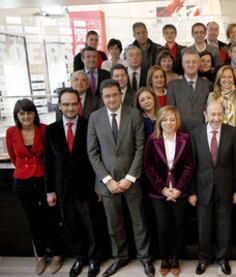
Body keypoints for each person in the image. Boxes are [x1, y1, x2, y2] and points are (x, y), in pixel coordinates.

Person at [87, 79, 154, 277]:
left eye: (115, 94)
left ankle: (145, 258)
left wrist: (130, 177)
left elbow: (141, 147)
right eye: (107, 96)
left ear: (121, 94)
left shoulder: (134, 115)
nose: (112, 99)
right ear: (102, 97)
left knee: (139, 222)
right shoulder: (95, 117)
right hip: (108, 183)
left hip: (131, 180)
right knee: (114, 224)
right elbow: (92, 152)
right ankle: (120, 257)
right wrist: (107, 179)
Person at [44, 88, 101, 277]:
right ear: (59, 106)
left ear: (79, 105)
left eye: (73, 104)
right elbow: (49, 163)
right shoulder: (51, 130)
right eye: (66, 104)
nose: (70, 108)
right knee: (71, 225)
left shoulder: (89, 125)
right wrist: (49, 190)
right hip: (63, 189)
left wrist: (99, 186)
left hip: (87, 186)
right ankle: (80, 258)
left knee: (92, 225)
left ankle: (94, 259)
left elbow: (96, 157)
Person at [6, 99, 63, 275]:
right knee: (33, 220)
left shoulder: (45, 129)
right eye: (22, 113)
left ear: (34, 114)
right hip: (22, 182)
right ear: (17, 115)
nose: (26, 116)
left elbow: (51, 156)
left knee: (51, 217)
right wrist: (24, 168)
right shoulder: (11, 132)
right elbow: (13, 156)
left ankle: (56, 254)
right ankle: (40, 256)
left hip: (43, 180)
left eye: (29, 112)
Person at [189, 100, 236, 275]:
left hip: (226, 188)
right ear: (205, 115)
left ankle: (223, 259)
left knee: (224, 225)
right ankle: (203, 259)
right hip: (203, 189)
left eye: (219, 114)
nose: (216, 118)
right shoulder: (195, 133)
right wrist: (192, 191)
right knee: (203, 226)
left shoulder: (232, 133)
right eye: (213, 114)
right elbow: (192, 165)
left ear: (223, 114)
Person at [144, 106, 193, 276]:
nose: (168, 123)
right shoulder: (152, 139)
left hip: (179, 192)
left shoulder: (185, 138)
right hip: (159, 192)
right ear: (159, 121)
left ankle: (175, 258)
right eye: (164, 119)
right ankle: (164, 258)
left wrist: (179, 189)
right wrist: (163, 189)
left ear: (177, 121)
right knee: (163, 226)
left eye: (172, 119)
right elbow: (148, 166)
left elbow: (188, 166)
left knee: (178, 226)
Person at [167, 49, 210, 133]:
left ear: (198, 64)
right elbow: (170, 111)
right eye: (187, 62)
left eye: (194, 62)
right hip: (180, 132)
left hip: (202, 132)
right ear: (182, 64)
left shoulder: (207, 85)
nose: (191, 64)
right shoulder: (173, 85)